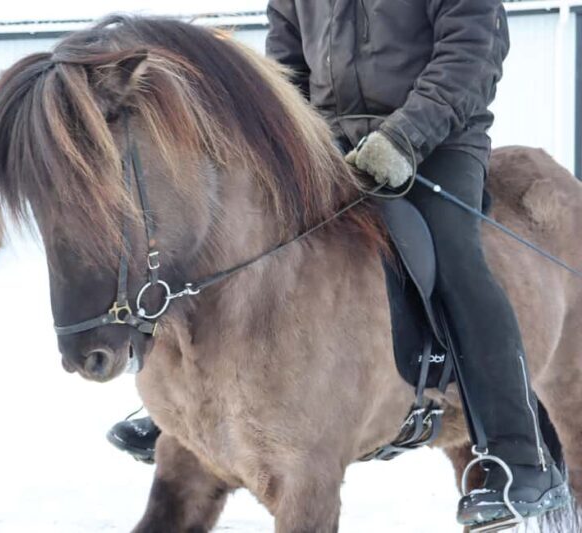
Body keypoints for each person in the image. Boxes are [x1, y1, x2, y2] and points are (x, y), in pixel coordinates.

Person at [108, 0, 570, 527]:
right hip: (329, 143)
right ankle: (185, 410)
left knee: (454, 256)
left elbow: (473, 51)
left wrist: (404, 136)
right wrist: (290, 141)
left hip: (437, 138)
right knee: (230, 229)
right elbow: (286, 67)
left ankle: (517, 454)